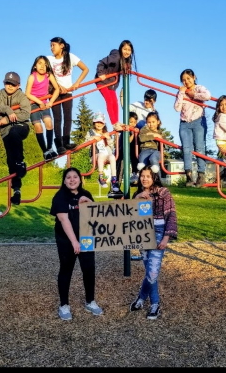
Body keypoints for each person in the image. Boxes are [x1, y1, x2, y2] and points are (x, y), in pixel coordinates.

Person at [50, 167, 103, 321]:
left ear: (80, 179)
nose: (72, 180)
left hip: (86, 238)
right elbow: (64, 220)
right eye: (68, 177)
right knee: (66, 270)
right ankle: (64, 305)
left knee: (89, 269)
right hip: (66, 240)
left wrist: (90, 202)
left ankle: (90, 301)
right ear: (64, 180)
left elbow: (96, 215)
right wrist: (74, 242)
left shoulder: (86, 194)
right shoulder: (60, 197)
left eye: (75, 177)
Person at [130, 165, 178, 319]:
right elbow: (130, 216)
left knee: (152, 273)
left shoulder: (163, 193)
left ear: (154, 177)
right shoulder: (137, 193)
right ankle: (143, 299)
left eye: (148, 176)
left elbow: (171, 215)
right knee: (149, 272)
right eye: (142, 176)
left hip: (158, 233)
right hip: (143, 234)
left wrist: (166, 238)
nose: (144, 179)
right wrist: (137, 199)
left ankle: (153, 303)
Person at [0, 71, 31, 206]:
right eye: (8, 83)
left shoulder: (21, 96)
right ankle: (16, 191)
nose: (10, 86)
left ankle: (21, 161)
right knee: (10, 160)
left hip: (21, 126)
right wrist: (7, 109)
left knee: (14, 133)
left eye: (13, 84)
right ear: (4, 83)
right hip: (5, 131)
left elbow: (26, 113)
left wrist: (7, 118)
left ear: (18, 85)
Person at [47, 36, 90, 155]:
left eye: (53, 45)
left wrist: (77, 83)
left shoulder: (70, 57)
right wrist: (58, 87)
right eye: (50, 46)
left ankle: (66, 142)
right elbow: (46, 75)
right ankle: (59, 145)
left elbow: (85, 69)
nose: (51, 48)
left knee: (67, 117)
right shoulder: (49, 59)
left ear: (61, 46)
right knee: (57, 118)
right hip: (55, 92)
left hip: (68, 91)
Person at [173, 68, 211, 188]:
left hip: (198, 120)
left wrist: (193, 94)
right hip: (184, 123)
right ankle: (189, 176)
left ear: (194, 77)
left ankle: (201, 174)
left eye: (188, 79)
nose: (186, 82)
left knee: (199, 147)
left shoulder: (199, 88)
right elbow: (177, 108)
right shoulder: (181, 92)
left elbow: (208, 96)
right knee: (186, 149)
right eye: (183, 80)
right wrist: (181, 93)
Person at [25, 55, 60, 161]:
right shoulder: (32, 77)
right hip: (33, 103)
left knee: (49, 123)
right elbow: (27, 93)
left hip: (45, 103)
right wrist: (39, 102)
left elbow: (57, 89)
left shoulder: (48, 76)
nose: (42, 66)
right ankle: (45, 151)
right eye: (40, 63)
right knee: (38, 127)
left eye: (45, 64)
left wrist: (51, 102)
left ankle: (50, 148)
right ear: (35, 66)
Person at [95, 40, 136, 125]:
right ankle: (114, 123)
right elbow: (101, 62)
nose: (127, 52)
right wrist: (100, 73)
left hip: (111, 83)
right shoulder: (116, 57)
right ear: (121, 49)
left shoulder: (126, 61)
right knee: (109, 100)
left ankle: (116, 121)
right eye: (125, 49)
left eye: (129, 50)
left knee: (115, 101)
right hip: (102, 81)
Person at [85, 112, 121, 193]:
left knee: (112, 157)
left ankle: (114, 181)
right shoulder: (90, 132)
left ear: (104, 124)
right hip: (96, 156)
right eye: (97, 122)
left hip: (106, 154)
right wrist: (92, 138)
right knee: (101, 154)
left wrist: (108, 139)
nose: (99, 124)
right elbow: (85, 145)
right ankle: (100, 177)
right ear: (94, 123)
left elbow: (112, 146)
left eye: (101, 122)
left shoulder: (106, 133)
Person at [114, 111, 140, 186]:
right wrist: (133, 134)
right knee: (120, 165)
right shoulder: (125, 129)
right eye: (131, 122)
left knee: (136, 157)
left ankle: (135, 175)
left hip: (131, 151)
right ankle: (116, 186)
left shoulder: (134, 130)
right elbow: (128, 141)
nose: (133, 124)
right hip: (122, 150)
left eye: (135, 122)